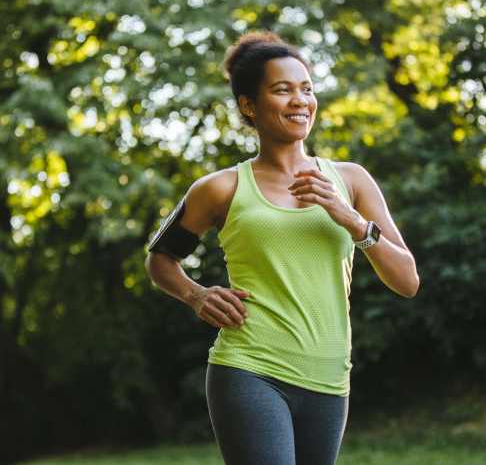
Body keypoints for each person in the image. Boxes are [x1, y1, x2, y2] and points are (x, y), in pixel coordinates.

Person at [145, 30, 419, 465]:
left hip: (329, 378)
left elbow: (406, 280)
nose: (300, 100)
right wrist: (195, 295)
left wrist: (348, 217)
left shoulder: (351, 181)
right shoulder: (220, 188)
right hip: (250, 369)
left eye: (307, 89)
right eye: (282, 90)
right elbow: (161, 260)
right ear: (249, 106)